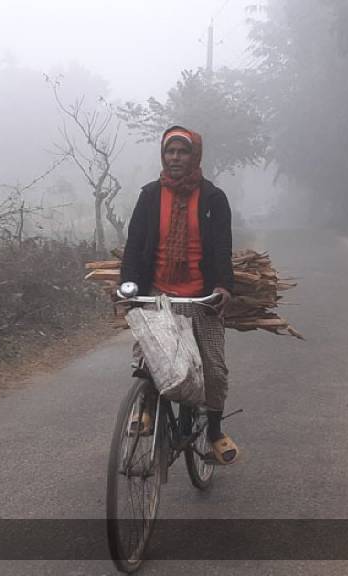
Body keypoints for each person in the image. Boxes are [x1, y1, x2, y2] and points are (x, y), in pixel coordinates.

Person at [120, 125, 238, 465]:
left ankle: (214, 431)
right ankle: (146, 406)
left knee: (213, 370)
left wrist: (222, 287)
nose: (175, 157)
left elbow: (221, 249)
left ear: (194, 156)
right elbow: (134, 247)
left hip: (201, 297)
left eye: (182, 152)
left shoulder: (213, 199)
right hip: (158, 292)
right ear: (163, 155)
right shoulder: (150, 196)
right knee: (149, 359)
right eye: (170, 151)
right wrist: (130, 287)